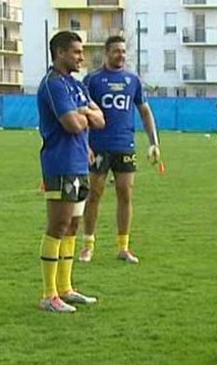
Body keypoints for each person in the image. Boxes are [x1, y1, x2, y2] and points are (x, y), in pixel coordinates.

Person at [37, 31, 105, 312]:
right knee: (58, 225)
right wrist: (84, 114)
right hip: (60, 163)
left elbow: (100, 120)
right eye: (77, 52)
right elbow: (73, 125)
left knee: (73, 225)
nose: (81, 57)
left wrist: (84, 112)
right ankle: (48, 294)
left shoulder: (76, 86)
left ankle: (65, 288)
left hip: (79, 162)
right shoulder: (53, 84)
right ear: (61, 53)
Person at [79, 36, 160, 264]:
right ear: (106, 53)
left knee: (125, 194)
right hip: (99, 146)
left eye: (124, 52)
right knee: (94, 195)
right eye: (116, 51)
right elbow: (83, 113)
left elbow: (144, 111)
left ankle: (123, 247)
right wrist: (85, 144)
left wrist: (154, 141)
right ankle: (88, 245)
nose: (121, 55)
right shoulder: (93, 80)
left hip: (125, 145)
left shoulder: (132, 80)